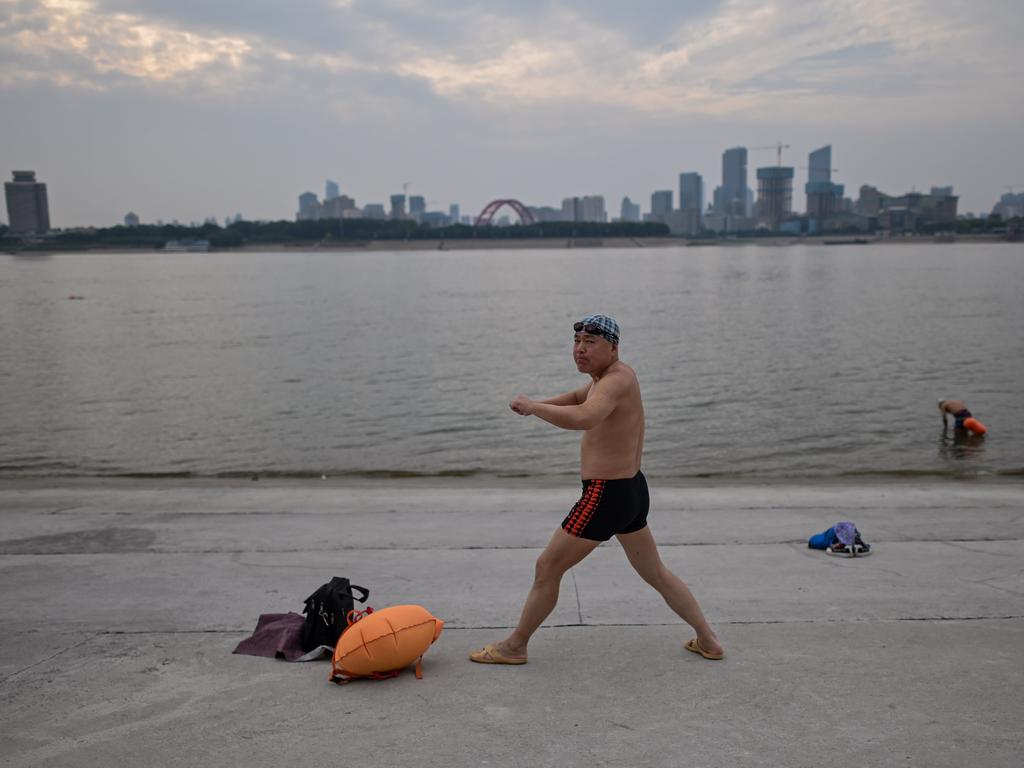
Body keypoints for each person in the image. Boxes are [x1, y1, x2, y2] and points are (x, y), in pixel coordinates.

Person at [469, 313, 724, 665]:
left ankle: (515, 646)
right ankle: (708, 640)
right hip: (631, 491)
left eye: (590, 343)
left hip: (605, 494)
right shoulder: (609, 377)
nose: (580, 350)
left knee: (547, 567)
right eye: (577, 342)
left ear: (613, 348)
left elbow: (585, 417)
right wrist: (540, 403)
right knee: (656, 573)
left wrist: (533, 408)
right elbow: (578, 397)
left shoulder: (613, 382)